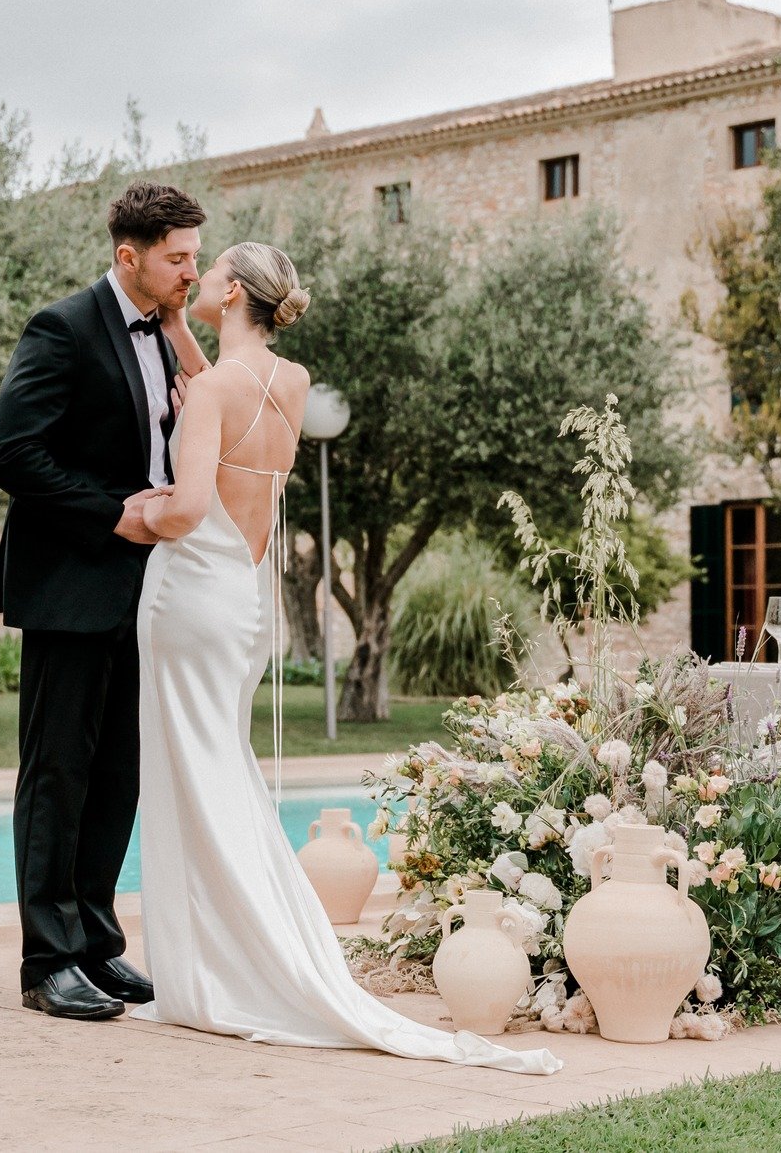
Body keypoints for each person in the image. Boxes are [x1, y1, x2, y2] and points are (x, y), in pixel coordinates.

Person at [129, 240, 560, 1075]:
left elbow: (185, 508)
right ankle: (238, 955)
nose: (196, 277)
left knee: (190, 776)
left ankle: (220, 968)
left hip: (187, 594)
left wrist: (125, 514)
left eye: (210, 270)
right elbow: (227, 387)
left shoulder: (212, 390)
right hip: (244, 600)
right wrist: (185, 329)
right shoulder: (288, 385)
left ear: (234, 292)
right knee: (219, 769)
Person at [0, 180, 209, 1021]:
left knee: (117, 774)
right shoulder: (61, 328)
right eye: (177, 258)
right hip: (71, 584)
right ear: (130, 256)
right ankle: (47, 961)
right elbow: (14, 454)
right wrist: (112, 512)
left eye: (194, 256)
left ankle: (98, 943)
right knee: (57, 774)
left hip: (143, 594)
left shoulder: (166, 334)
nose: (190, 271)